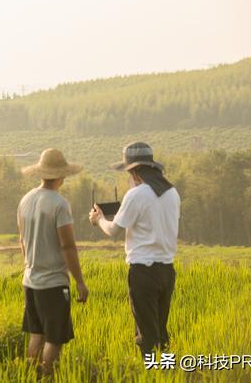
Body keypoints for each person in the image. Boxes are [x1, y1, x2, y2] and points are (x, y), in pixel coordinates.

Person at [89, 141, 180, 357]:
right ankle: (165, 372)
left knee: (146, 335)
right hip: (167, 271)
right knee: (160, 331)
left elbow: (113, 231)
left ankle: (150, 373)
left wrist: (99, 219)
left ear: (134, 170)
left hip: (143, 272)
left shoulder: (136, 195)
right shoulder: (172, 193)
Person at [18, 148, 89, 376]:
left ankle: (31, 377)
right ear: (62, 175)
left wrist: (29, 265)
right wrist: (79, 282)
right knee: (55, 339)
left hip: (30, 280)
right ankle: (47, 377)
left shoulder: (26, 200)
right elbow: (67, 245)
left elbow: (22, 240)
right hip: (53, 283)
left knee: (36, 334)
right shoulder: (59, 204)